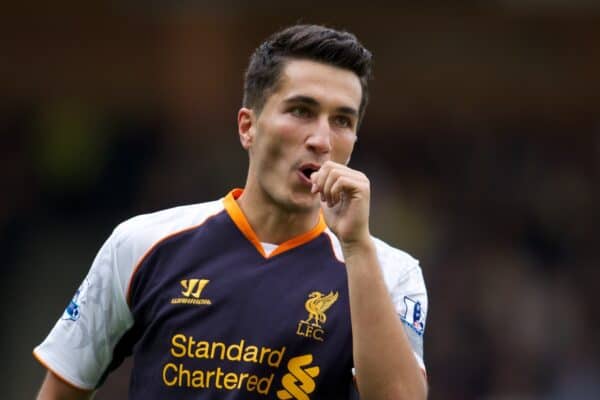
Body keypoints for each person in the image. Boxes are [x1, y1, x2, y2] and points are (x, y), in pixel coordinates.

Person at [34, 24, 429, 400]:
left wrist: (357, 246)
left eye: (342, 120)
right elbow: (63, 388)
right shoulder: (142, 244)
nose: (321, 139)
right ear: (248, 127)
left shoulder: (391, 273)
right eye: (301, 111)